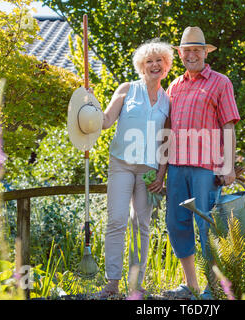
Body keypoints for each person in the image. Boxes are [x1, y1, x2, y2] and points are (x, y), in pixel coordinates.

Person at [164, 26, 240, 299]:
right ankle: (191, 284)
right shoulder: (174, 86)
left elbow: (229, 125)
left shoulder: (220, 82)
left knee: (208, 226)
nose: (192, 55)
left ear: (205, 53)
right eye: (187, 51)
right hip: (176, 166)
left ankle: (214, 287)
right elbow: (167, 129)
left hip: (206, 167)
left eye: (197, 50)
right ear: (181, 54)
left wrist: (228, 166)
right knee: (175, 223)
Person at [98, 39, 173, 297]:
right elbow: (106, 120)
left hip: (149, 171)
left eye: (159, 61)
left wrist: (162, 175)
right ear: (142, 66)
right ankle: (112, 283)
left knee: (141, 224)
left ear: (166, 67)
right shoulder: (127, 89)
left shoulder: (168, 101)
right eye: (149, 61)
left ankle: (136, 284)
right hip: (121, 164)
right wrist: (87, 105)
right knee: (117, 220)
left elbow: (166, 139)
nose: (154, 65)